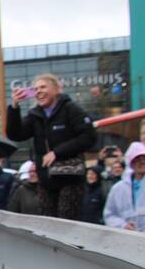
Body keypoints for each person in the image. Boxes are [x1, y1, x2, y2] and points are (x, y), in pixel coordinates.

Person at [7, 74, 96, 220]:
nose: (39, 91)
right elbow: (16, 134)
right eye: (35, 89)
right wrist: (14, 106)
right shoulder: (35, 115)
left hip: (69, 177)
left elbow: (89, 137)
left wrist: (58, 152)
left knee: (66, 222)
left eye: (43, 87)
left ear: (56, 89)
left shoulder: (70, 109)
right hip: (46, 180)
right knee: (49, 224)